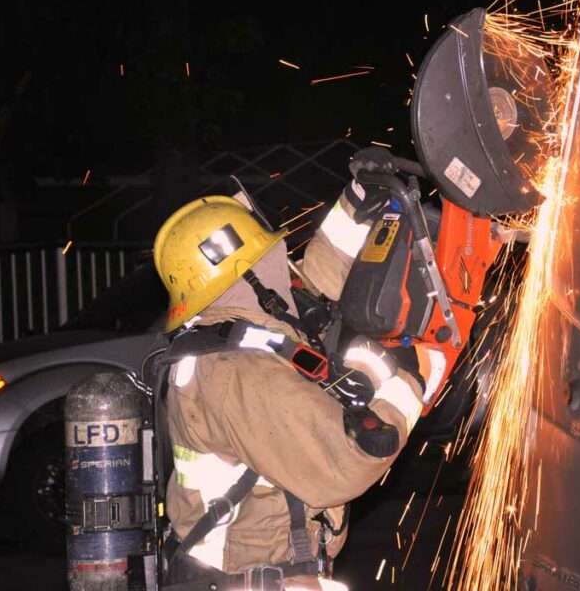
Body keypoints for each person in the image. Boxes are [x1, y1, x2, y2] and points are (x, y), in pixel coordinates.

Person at [152, 182, 424, 591]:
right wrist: (408, 381)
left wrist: (357, 200)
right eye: (265, 257)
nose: (281, 263)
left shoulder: (229, 332)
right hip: (251, 581)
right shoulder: (239, 372)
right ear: (245, 278)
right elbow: (346, 461)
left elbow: (307, 288)